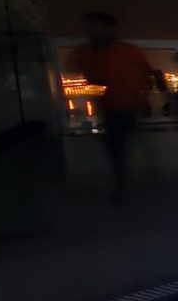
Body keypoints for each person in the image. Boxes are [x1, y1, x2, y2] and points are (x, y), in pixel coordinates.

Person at [66, 12, 161, 198]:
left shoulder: (126, 51)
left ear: (109, 28)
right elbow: (91, 80)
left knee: (126, 147)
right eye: (88, 26)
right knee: (120, 148)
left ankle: (130, 184)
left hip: (130, 107)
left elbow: (148, 74)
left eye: (95, 25)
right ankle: (126, 184)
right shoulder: (86, 53)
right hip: (112, 110)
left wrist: (142, 95)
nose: (91, 30)